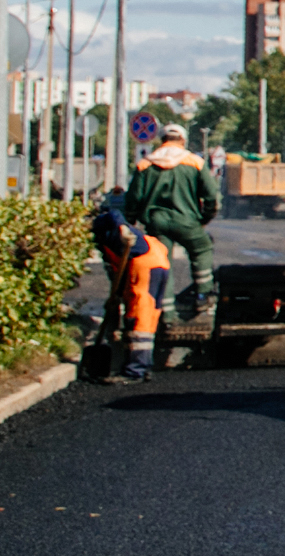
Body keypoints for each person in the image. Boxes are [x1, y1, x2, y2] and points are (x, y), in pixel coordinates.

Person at [124, 122, 220, 322]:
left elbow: (133, 199)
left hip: (156, 223)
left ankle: (166, 313)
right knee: (202, 249)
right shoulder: (194, 162)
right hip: (188, 221)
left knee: (161, 262)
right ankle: (203, 296)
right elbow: (211, 197)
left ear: (162, 140)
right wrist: (204, 219)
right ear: (183, 140)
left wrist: (130, 221)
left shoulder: (145, 164)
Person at [91, 192, 172, 382]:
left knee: (139, 319)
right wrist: (116, 297)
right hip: (157, 261)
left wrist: (122, 229)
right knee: (148, 316)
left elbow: (114, 214)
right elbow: (117, 274)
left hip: (144, 264)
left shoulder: (104, 226)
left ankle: (134, 370)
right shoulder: (107, 244)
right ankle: (143, 367)